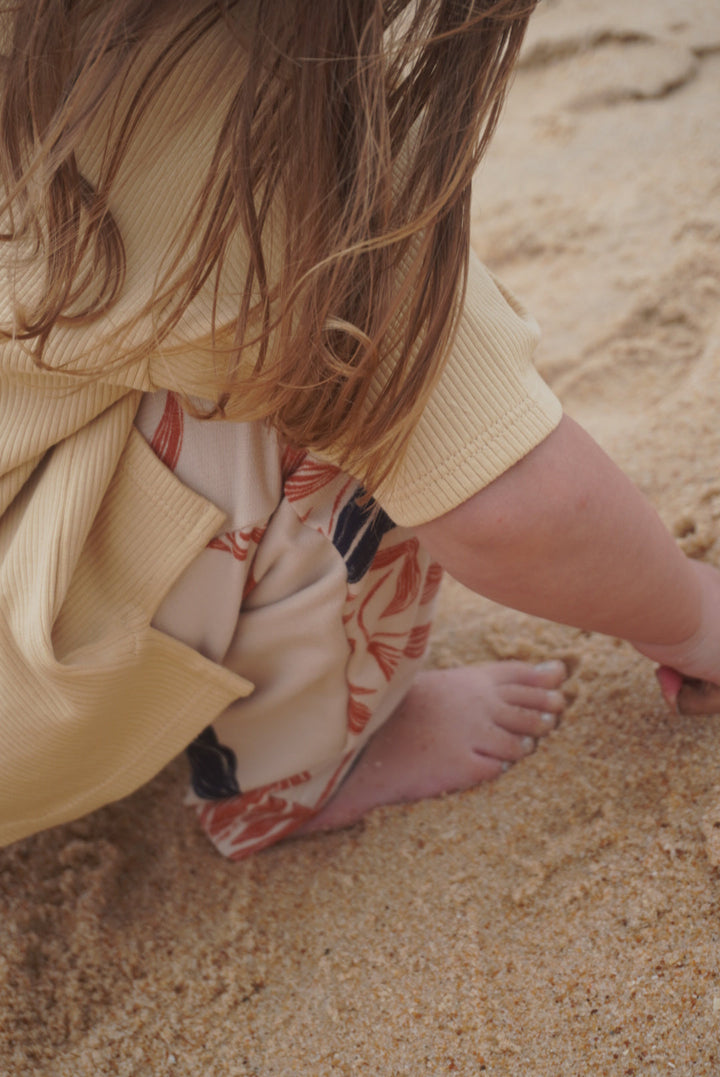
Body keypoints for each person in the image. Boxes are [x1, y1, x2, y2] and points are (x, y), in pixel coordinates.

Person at [0, 0, 717, 860]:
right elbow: (513, 504)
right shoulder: (230, 107)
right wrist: (688, 616)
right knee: (345, 383)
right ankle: (297, 770)